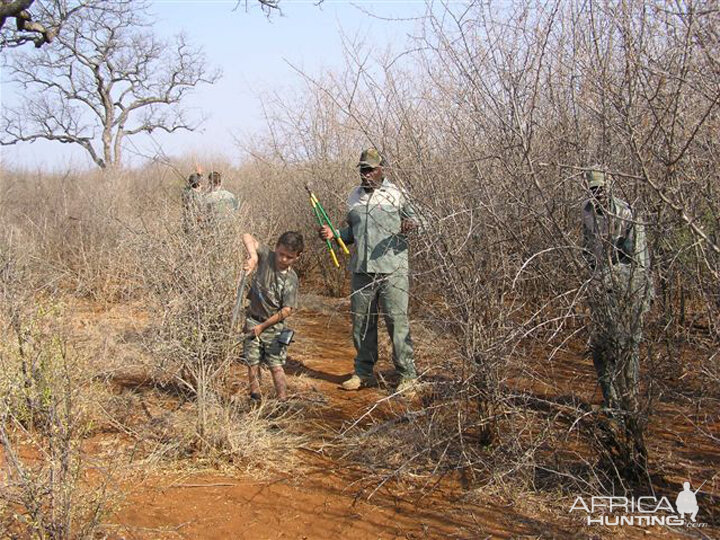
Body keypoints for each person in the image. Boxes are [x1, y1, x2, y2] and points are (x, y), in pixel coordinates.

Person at [320, 148, 419, 392]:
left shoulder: (397, 194)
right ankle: (364, 373)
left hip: (392, 270)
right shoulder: (353, 197)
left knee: (397, 322)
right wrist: (334, 235)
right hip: (362, 270)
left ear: (381, 169)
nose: (366, 174)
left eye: (371, 169)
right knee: (362, 324)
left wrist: (410, 224)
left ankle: (407, 376)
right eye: (363, 169)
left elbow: (419, 221)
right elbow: (351, 234)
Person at [581, 168, 653, 412]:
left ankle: (629, 405)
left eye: (601, 188)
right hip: (602, 292)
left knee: (627, 347)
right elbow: (588, 251)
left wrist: (613, 277)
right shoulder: (587, 213)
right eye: (593, 189)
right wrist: (594, 280)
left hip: (629, 292)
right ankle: (611, 403)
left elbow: (640, 263)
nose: (597, 194)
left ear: (609, 187)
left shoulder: (627, 213)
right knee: (600, 347)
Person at [241, 231, 303, 401]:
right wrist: (253, 257)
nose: (283, 259)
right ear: (276, 248)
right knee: (252, 362)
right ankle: (255, 397)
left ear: (297, 257)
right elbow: (247, 236)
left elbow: (287, 310)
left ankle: (282, 401)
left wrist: (262, 327)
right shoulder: (267, 256)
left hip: (273, 326)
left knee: (276, 365)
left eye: (289, 257)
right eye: (281, 254)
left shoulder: (291, 279)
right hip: (253, 319)